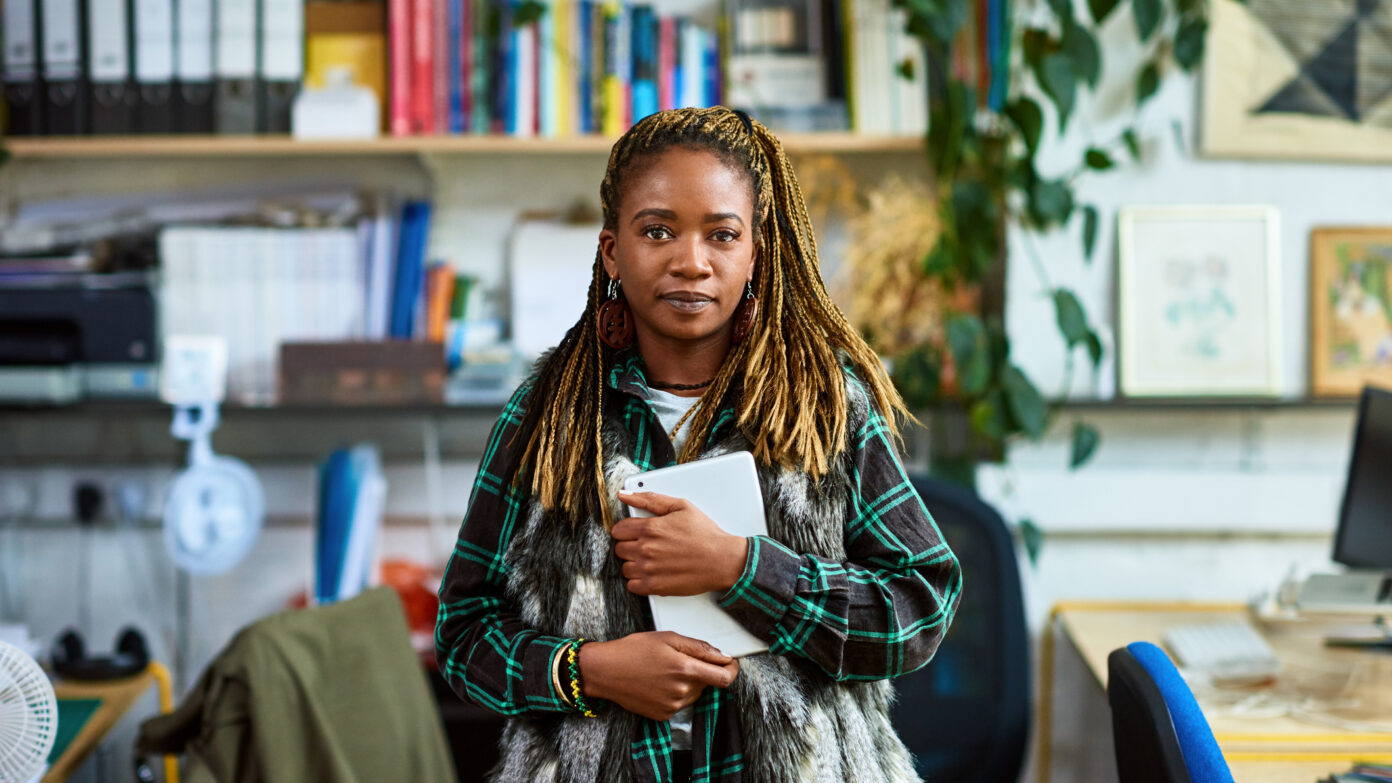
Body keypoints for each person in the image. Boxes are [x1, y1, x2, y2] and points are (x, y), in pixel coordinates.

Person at [436, 106, 962, 783]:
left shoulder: (827, 408)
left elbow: (919, 605)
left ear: (755, 254)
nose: (691, 261)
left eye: (722, 235)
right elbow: (464, 632)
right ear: (612, 252)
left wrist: (742, 567)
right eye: (658, 230)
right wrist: (591, 670)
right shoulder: (545, 418)